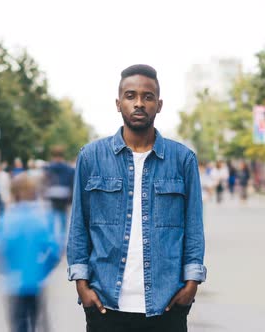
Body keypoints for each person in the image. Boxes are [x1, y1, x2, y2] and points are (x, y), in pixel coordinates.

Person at [67, 64, 206, 331]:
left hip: (167, 305)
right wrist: (82, 286)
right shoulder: (91, 157)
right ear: (118, 103)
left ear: (159, 104)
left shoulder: (182, 160)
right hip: (105, 303)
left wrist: (191, 285)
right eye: (130, 96)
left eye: (148, 96)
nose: (139, 103)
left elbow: (194, 228)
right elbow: (78, 226)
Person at [0, 173, 60, 332]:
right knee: (37, 321)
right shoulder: (40, 219)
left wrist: (2, 270)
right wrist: (43, 270)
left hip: (13, 285)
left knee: (17, 324)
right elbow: (55, 251)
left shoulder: (5, 220)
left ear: (13, 194)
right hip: (36, 283)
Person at [44, 145, 75, 238]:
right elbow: (72, 184)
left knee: (51, 220)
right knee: (63, 221)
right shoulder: (69, 169)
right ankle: (61, 242)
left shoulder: (48, 168)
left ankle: (51, 241)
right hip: (64, 195)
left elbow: (45, 182)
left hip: (51, 195)